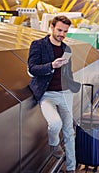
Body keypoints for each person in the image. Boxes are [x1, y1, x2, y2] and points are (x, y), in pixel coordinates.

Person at [28, 15, 80, 173]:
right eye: (59, 30)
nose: (62, 34)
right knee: (55, 123)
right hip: (47, 94)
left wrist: (72, 84)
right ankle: (54, 144)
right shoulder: (38, 45)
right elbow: (32, 68)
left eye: (65, 31)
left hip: (65, 93)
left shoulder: (67, 49)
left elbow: (68, 71)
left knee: (69, 132)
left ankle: (71, 168)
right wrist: (51, 65)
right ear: (51, 27)